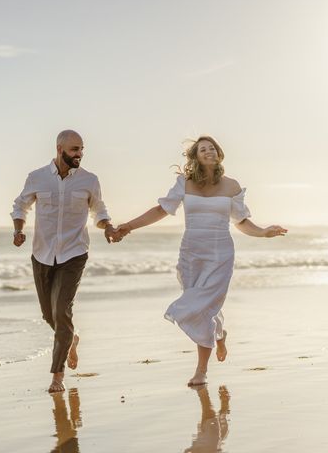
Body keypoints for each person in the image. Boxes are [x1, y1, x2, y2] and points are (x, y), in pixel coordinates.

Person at [115, 136, 287, 386]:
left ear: (219, 153)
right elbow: (161, 210)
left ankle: (201, 371)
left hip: (220, 254)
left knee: (200, 308)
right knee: (200, 305)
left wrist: (263, 232)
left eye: (212, 148)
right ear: (195, 157)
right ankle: (219, 332)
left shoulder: (231, 186)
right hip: (192, 254)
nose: (209, 152)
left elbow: (241, 222)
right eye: (203, 149)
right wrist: (128, 226)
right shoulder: (184, 184)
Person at [11, 129, 122, 393]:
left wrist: (107, 226)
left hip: (74, 253)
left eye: (82, 149)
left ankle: (57, 376)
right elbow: (20, 206)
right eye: (74, 149)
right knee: (49, 315)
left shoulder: (89, 180)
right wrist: (18, 229)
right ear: (59, 149)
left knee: (61, 312)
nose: (79, 154)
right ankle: (71, 338)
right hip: (42, 254)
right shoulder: (37, 177)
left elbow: (99, 210)